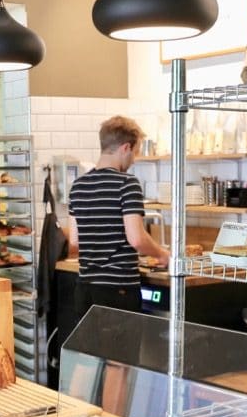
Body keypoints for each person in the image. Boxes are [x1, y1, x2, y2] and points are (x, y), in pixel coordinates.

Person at [67, 116, 170, 321]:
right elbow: (137, 239)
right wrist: (162, 254)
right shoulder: (127, 183)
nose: (133, 160)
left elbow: (75, 240)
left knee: (93, 353)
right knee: (122, 354)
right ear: (125, 148)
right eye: (135, 153)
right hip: (117, 290)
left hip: (85, 290)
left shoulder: (78, 186)